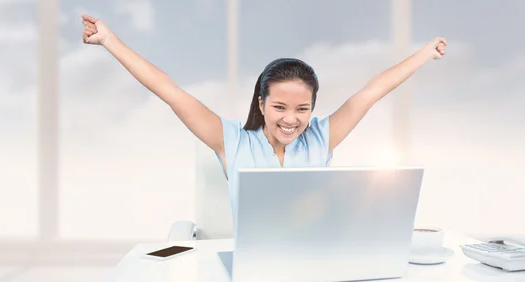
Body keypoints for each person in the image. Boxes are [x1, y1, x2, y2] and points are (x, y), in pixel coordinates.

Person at [80, 14, 447, 220]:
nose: (291, 119)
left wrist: (425, 53)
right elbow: (170, 92)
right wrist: (110, 41)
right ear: (261, 103)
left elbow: (371, 92)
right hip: (253, 271)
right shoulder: (232, 141)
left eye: (303, 109)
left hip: (319, 261)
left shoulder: (322, 137)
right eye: (280, 107)